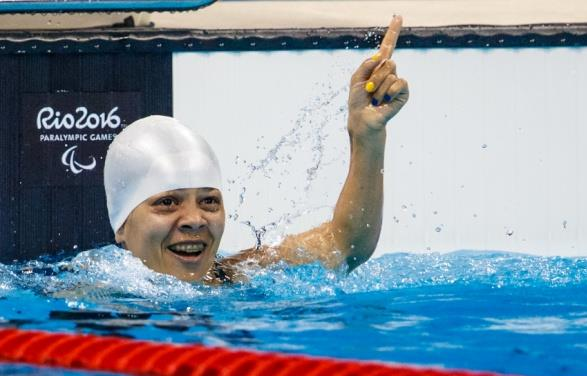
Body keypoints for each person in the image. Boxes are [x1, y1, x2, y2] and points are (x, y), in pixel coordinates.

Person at [103, 16, 409, 283]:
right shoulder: (95, 301)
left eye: (209, 201)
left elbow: (345, 244)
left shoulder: (242, 275)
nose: (194, 219)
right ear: (122, 225)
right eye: (168, 202)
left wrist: (367, 134)